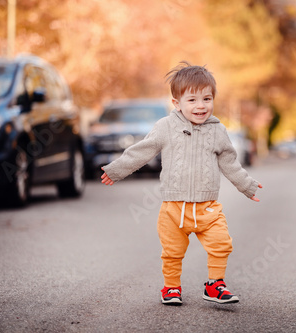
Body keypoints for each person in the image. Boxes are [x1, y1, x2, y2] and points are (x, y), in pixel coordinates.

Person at [100, 61, 262, 305]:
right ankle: (171, 288)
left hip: (208, 208)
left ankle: (215, 285)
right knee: (172, 253)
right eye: (193, 100)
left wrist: (247, 185)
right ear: (177, 103)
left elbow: (230, 163)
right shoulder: (166, 127)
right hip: (173, 209)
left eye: (207, 99)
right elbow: (142, 151)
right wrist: (116, 170)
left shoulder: (218, 131)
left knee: (221, 244)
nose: (201, 106)